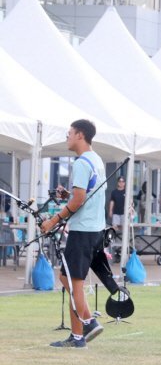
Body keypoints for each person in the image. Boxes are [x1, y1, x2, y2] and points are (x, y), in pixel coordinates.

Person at [41, 119, 106, 348]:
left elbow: (79, 200)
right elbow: (85, 195)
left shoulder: (81, 163)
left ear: (80, 134)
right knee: (72, 280)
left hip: (83, 230)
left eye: (69, 133)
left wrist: (53, 220)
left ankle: (88, 322)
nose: (66, 137)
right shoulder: (96, 160)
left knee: (69, 280)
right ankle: (77, 337)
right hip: (94, 229)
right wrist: (68, 195)